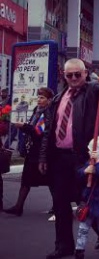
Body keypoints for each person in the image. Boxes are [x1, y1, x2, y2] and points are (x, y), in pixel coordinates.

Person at [40, 58, 99, 259]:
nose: (74, 78)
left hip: (82, 156)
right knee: (60, 202)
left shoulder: (92, 91)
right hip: (59, 157)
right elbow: (49, 131)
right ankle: (63, 246)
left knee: (85, 198)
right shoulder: (58, 98)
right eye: (70, 75)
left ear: (85, 73)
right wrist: (43, 156)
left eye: (78, 74)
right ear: (64, 76)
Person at [3, 87, 54, 216]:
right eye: (38, 97)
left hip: (41, 152)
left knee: (50, 180)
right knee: (27, 179)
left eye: (42, 98)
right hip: (33, 150)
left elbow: (39, 131)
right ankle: (18, 206)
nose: (39, 100)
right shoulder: (38, 110)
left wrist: (23, 127)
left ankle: (57, 205)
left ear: (49, 100)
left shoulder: (48, 113)